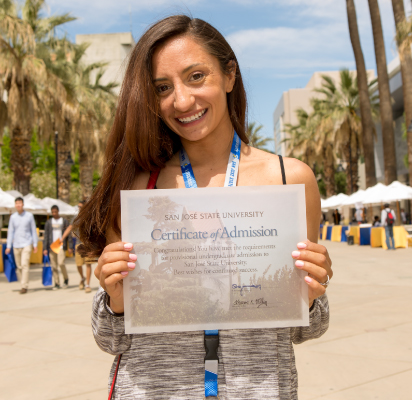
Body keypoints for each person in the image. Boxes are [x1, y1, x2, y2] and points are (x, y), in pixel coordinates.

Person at [76, 16, 333, 399]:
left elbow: (302, 330)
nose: (181, 101)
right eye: (163, 87)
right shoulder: (136, 187)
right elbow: (111, 339)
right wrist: (114, 301)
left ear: (229, 75)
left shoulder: (289, 179)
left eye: (196, 76)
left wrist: (312, 294)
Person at [5, 197, 38, 294]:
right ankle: (22, 284)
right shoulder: (13, 217)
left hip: (27, 243)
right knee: (19, 266)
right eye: (16, 203)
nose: (18, 205)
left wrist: (35, 244)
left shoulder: (29, 216)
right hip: (16, 244)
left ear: (23, 204)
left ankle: (24, 286)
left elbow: (33, 230)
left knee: (24, 264)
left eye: (20, 203)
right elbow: (10, 231)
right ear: (15, 205)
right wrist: (8, 246)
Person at [66, 200, 96, 293]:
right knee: (78, 265)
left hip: (88, 244)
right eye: (78, 206)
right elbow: (70, 228)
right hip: (78, 244)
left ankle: (87, 285)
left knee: (88, 264)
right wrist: (62, 238)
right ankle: (82, 278)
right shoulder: (76, 217)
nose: (78, 208)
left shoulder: (90, 216)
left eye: (80, 206)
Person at [43, 205, 71, 289]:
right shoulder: (49, 222)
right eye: (52, 212)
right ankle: (57, 282)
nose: (54, 213)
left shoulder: (64, 221)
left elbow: (68, 235)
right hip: (52, 247)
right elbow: (46, 236)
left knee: (61, 263)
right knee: (54, 266)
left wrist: (70, 246)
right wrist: (45, 248)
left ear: (58, 211)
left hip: (61, 246)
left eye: (55, 212)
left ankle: (66, 279)